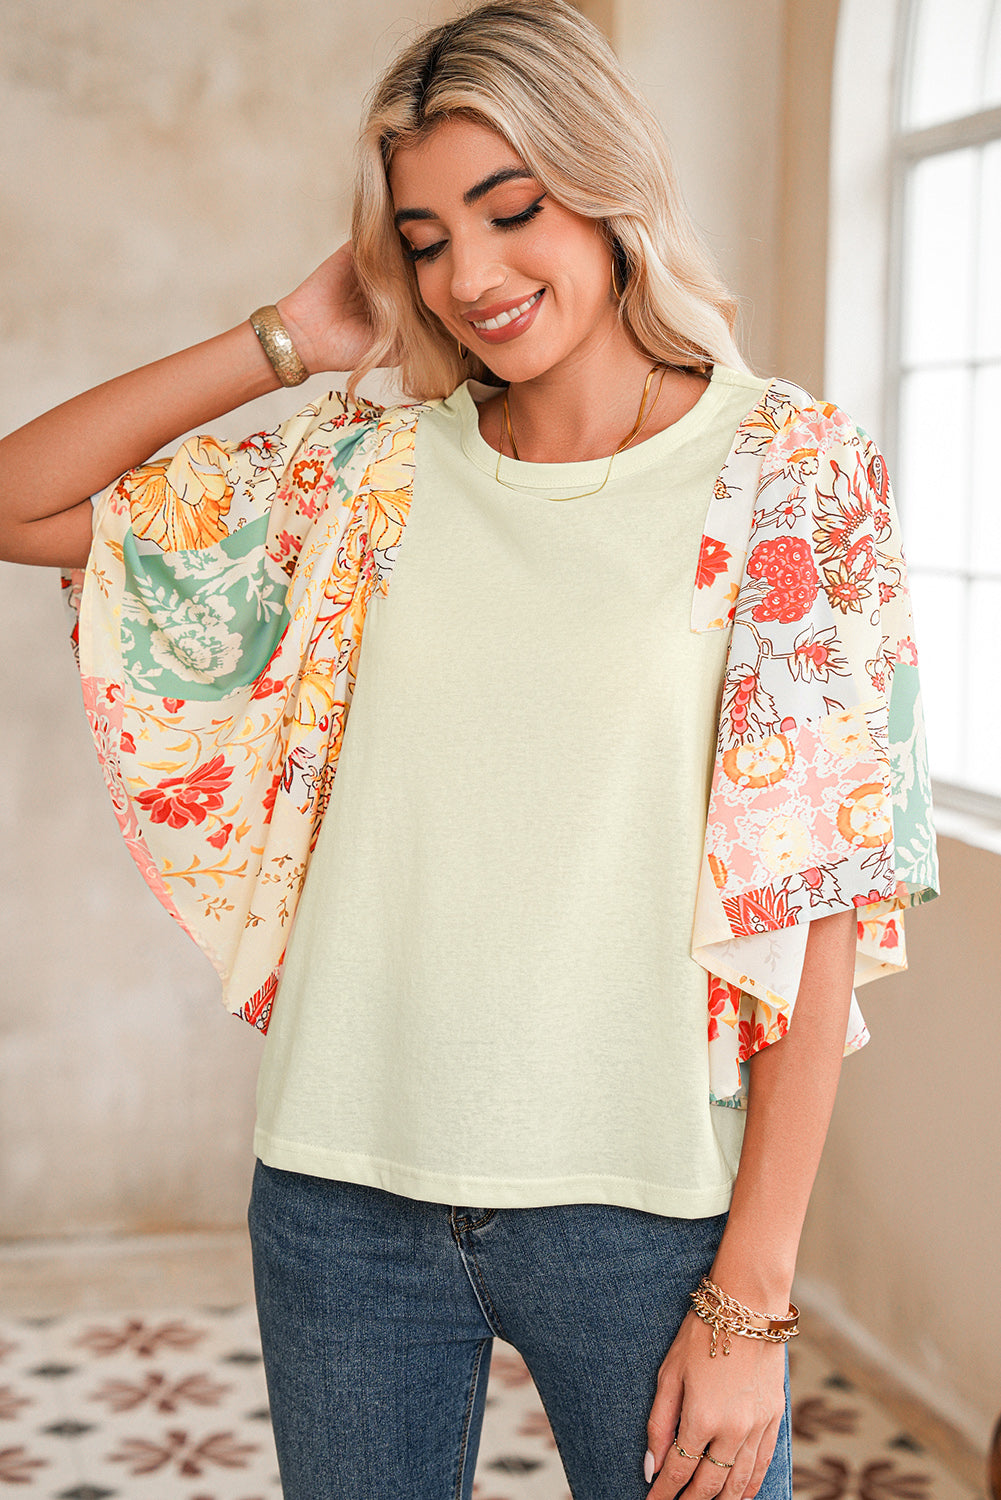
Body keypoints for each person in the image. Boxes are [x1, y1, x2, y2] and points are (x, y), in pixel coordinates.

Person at [0, 3, 939, 1498]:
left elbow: (817, 896)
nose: (471, 277)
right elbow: (19, 500)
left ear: (610, 191)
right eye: (427, 238)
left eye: (513, 212)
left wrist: (754, 1296)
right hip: (340, 1199)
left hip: (645, 1210)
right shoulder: (367, 476)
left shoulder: (789, 474)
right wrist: (284, 343)